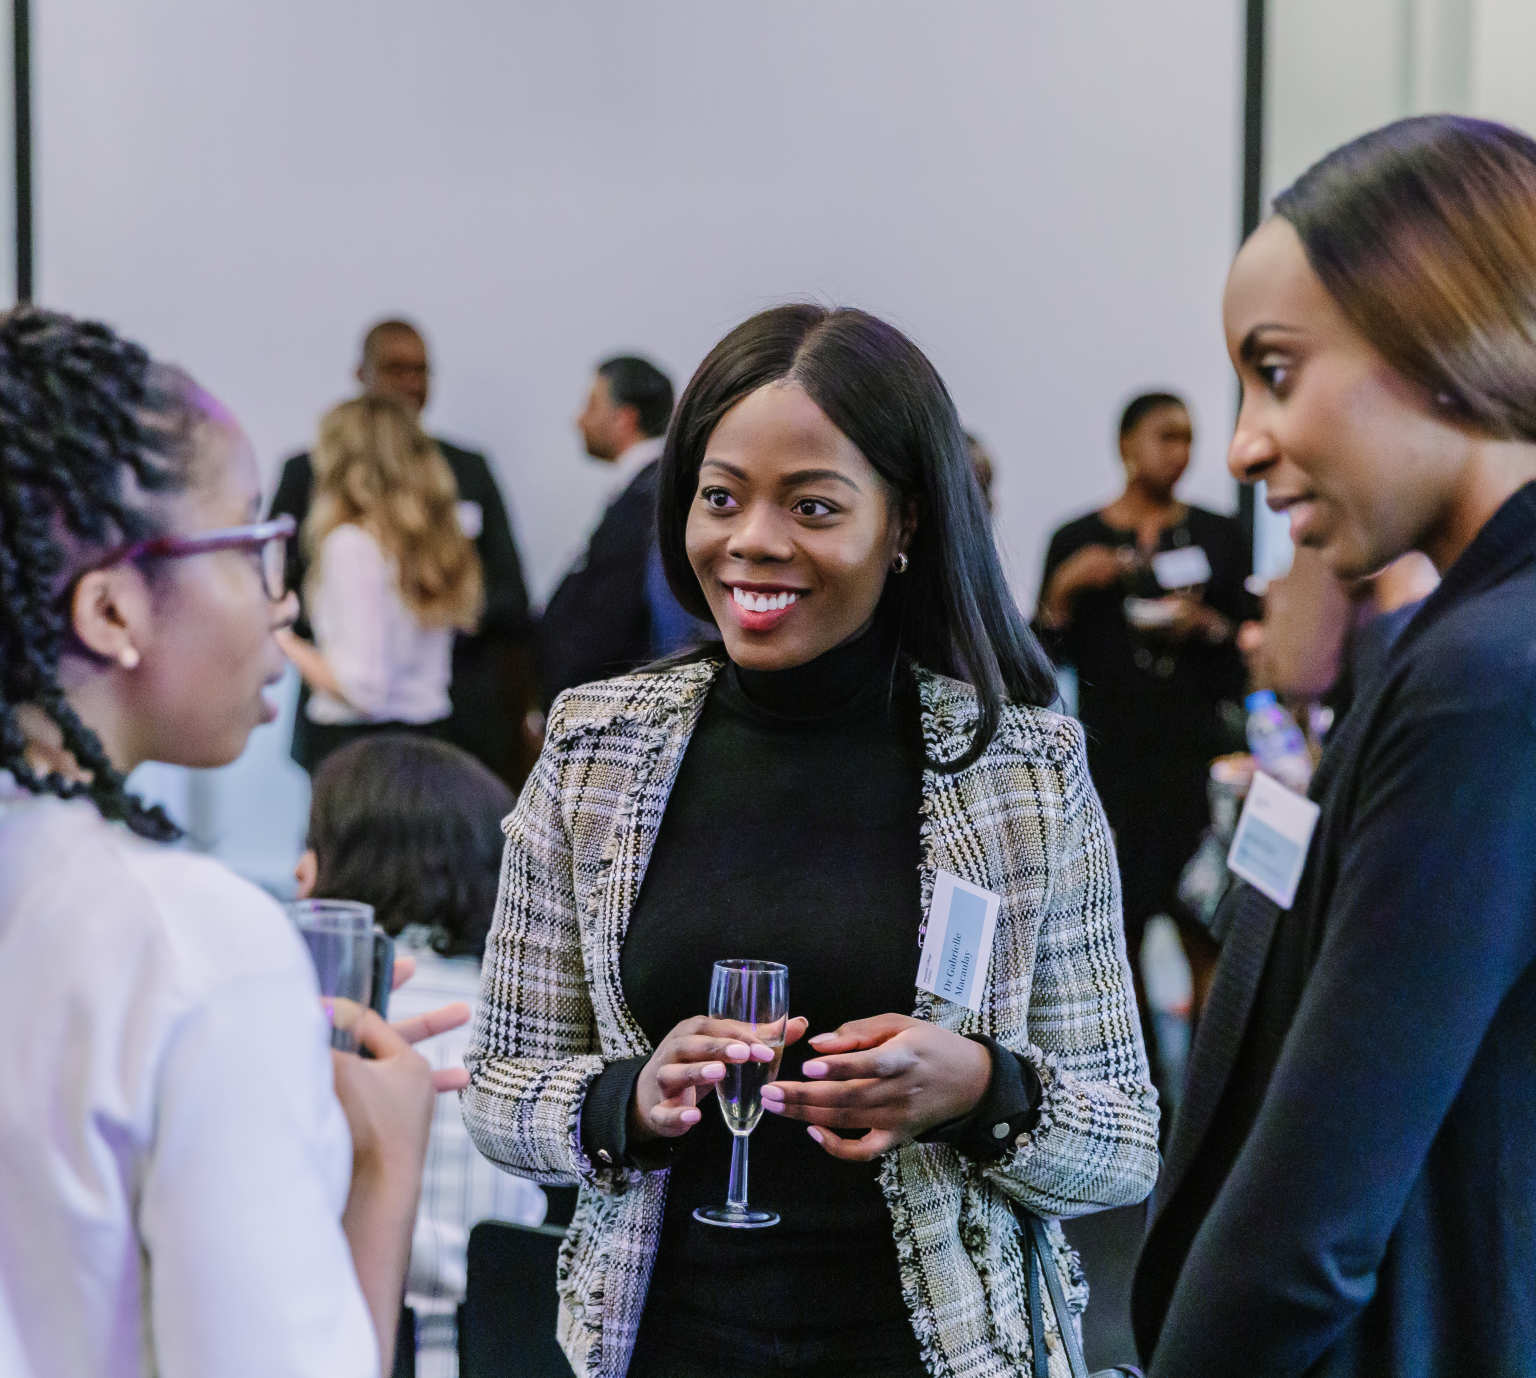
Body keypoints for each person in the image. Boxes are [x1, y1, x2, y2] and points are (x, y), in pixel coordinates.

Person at [0, 295, 465, 1377]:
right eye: (251, 545)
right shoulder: (196, 947)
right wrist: (382, 1170)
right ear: (110, 610)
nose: (280, 607)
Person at [465, 305, 1158, 1378]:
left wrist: (978, 1087)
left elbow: (1120, 1144)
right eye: (719, 497)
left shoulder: (1020, 773)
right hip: (660, 1345)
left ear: (905, 524)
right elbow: (499, 1087)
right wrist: (628, 1098)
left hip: (929, 1352)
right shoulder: (593, 750)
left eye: (812, 506)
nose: (751, 542)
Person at [1132, 115, 1536, 1377]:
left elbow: (1309, 1229)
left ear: (1448, 340)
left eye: (1275, 371)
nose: (1241, 444)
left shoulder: (1500, 673)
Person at [296, 735, 547, 1377]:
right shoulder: (535, 1020)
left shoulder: (315, 1022)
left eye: (315, 842)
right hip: (510, 1348)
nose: (299, 868)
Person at [1033, 390, 1253, 1086]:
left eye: (1189, 438)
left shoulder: (1218, 535)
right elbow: (1039, 660)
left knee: (1207, 927)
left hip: (1198, 763)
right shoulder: (1076, 539)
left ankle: (1214, 1094)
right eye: (1166, 436)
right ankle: (1138, 1093)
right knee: (1114, 933)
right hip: (1113, 767)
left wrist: (1206, 628)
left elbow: (1253, 646)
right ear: (1128, 445)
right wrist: (1065, 592)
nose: (1180, 452)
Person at [270, 319, 533, 782]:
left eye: (421, 371)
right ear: (362, 373)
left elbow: (507, 591)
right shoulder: (308, 479)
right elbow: (284, 579)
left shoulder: (457, 477)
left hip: (424, 714)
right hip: (386, 713)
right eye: (396, 369)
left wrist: (285, 638)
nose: (411, 384)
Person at [277, 396, 485, 776]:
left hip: (360, 753)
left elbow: (363, 690)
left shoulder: (353, 545)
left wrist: (282, 637)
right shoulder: (435, 539)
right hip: (429, 738)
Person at [540, 355, 709, 704]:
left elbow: (612, 618)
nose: (579, 419)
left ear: (624, 418)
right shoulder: (646, 491)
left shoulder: (648, 500)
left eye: (591, 404)